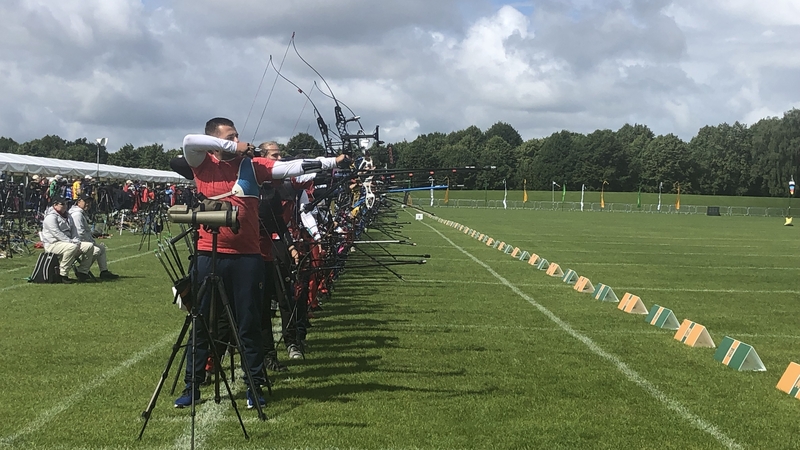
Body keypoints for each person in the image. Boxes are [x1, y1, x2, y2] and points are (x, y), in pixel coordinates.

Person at [174, 117, 348, 410]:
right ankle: (192, 387)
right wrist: (233, 145)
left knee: (249, 324)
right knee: (201, 323)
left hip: (247, 258)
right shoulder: (202, 163)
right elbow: (190, 140)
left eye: (237, 135)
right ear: (217, 140)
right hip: (208, 254)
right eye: (230, 136)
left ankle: (254, 386)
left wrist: (331, 161)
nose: (238, 139)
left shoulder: (253, 167)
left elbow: (293, 166)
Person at [40, 196, 93, 284]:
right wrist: (71, 242)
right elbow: (57, 233)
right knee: (71, 247)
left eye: (66, 204)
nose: (65, 206)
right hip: (53, 244)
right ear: (55, 205)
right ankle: (63, 274)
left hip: (68, 243)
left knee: (89, 246)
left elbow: (74, 230)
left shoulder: (68, 216)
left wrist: (77, 241)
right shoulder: (50, 217)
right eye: (62, 204)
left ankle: (82, 272)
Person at [68, 194, 119, 281]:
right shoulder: (77, 215)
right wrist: (91, 242)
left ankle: (104, 272)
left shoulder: (80, 213)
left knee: (101, 248)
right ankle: (82, 272)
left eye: (89, 202)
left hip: (80, 241)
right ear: (79, 202)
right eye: (85, 202)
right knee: (96, 250)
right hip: (75, 242)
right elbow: (80, 233)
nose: (88, 204)